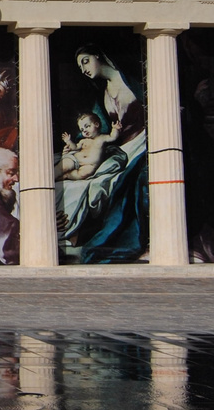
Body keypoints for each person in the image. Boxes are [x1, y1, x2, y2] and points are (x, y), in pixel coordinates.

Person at [55, 44, 148, 263]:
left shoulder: (131, 80)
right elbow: (97, 130)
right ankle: (69, 233)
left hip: (142, 144)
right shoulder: (104, 91)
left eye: (85, 61)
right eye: (79, 67)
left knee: (118, 183)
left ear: (99, 55)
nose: (84, 69)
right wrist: (74, 144)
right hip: (120, 148)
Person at [56, 112, 123, 180]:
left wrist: (115, 129)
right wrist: (69, 141)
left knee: (83, 174)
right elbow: (75, 147)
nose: (84, 130)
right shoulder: (83, 141)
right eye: (82, 130)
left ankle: (67, 176)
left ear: (96, 124)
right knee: (64, 166)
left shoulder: (102, 138)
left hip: (89, 165)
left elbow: (113, 137)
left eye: (87, 126)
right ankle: (51, 176)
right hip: (75, 160)